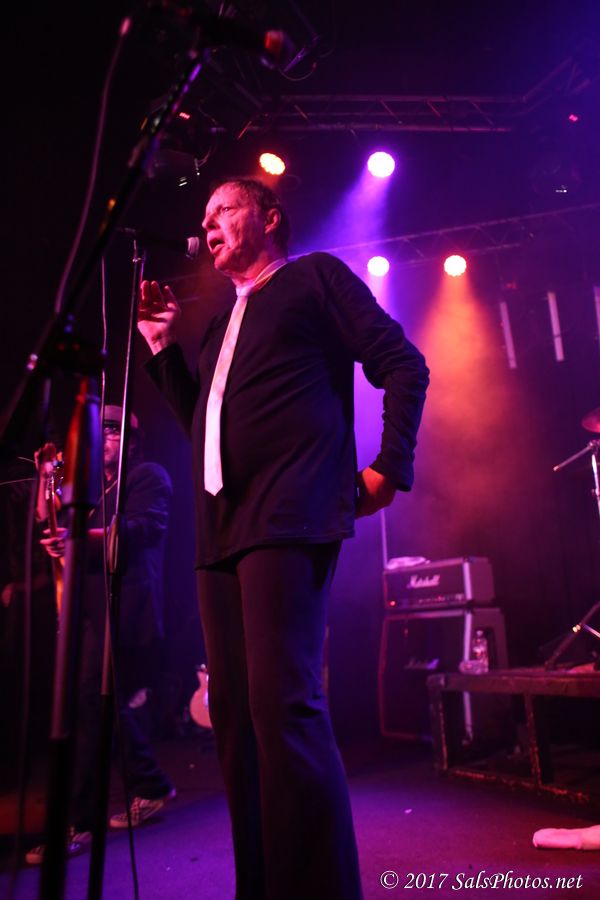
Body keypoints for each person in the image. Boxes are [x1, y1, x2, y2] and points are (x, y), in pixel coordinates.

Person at [138, 177, 429, 899]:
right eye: (203, 216)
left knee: (283, 705)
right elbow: (203, 427)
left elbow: (403, 363)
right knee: (235, 718)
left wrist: (390, 466)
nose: (207, 224)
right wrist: (161, 347)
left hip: (289, 514)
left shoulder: (313, 278)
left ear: (269, 217)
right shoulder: (219, 325)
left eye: (223, 209)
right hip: (221, 532)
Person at [26, 405, 175, 864]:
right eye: (100, 430)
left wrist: (78, 539)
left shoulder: (147, 476)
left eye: (113, 429)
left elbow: (141, 530)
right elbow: (48, 514)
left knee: (92, 706)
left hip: (126, 609)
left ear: (131, 436)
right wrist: (47, 476)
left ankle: (78, 823)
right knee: (102, 706)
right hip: (92, 611)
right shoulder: (91, 488)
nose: (104, 437)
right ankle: (150, 784)